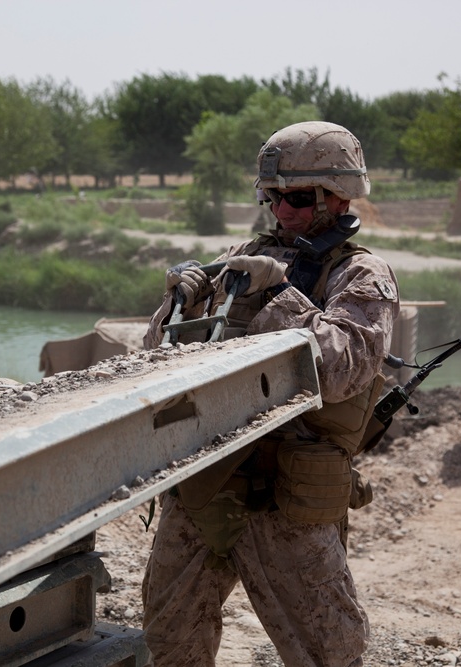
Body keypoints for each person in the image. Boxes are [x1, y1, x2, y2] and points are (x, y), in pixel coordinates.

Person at [141, 121, 400, 666]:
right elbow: (159, 361)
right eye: (273, 196)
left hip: (287, 499)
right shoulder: (245, 254)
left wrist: (280, 293)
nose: (283, 210)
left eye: (300, 198)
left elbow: (337, 371)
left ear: (339, 195)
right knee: (171, 644)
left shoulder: (360, 275)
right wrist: (180, 307)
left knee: (327, 653)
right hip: (206, 482)